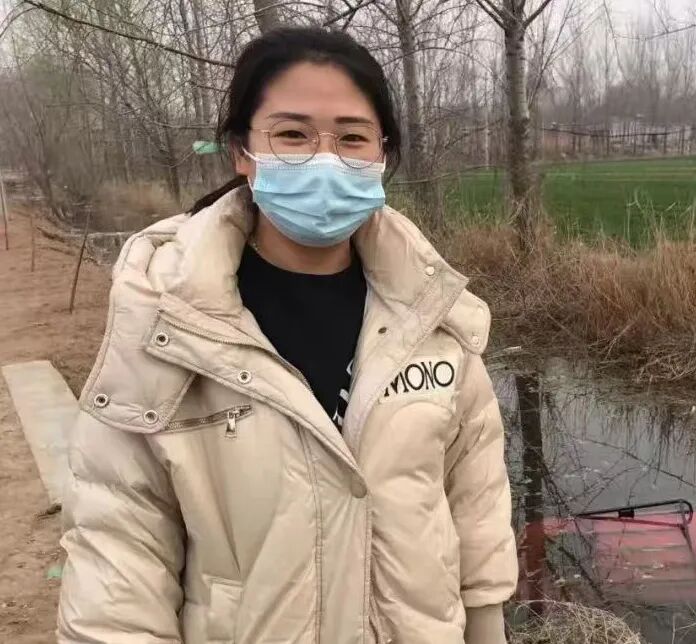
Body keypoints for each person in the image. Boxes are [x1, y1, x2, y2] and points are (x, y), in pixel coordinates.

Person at [57, 26, 517, 644]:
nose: (326, 159)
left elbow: (475, 498)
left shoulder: (432, 312)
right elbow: (119, 549)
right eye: (293, 135)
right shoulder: (167, 322)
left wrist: (487, 624)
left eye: (352, 138)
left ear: (382, 155)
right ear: (241, 152)